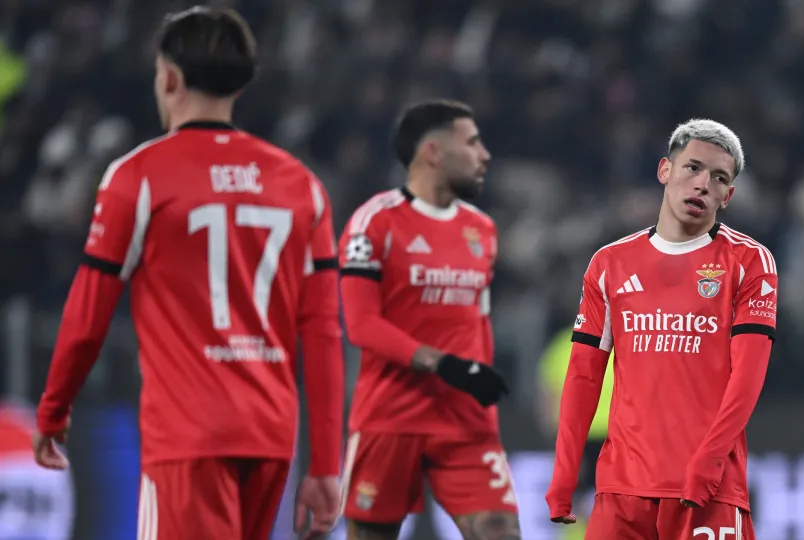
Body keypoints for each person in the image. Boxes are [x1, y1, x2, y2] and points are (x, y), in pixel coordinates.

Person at [31, 7, 344, 540]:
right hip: (270, 437)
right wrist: (326, 464)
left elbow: (88, 312)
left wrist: (54, 408)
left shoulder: (138, 176)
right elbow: (323, 333)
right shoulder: (302, 186)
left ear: (171, 78)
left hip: (189, 435)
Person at [546, 119, 777, 540]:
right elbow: (583, 376)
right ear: (665, 170)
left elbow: (747, 378)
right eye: (693, 167)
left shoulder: (749, 262)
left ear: (728, 196)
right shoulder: (609, 264)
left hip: (709, 491)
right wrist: (564, 474)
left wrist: (709, 461)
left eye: (719, 178)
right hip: (621, 491)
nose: (703, 184)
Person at [337, 100, 517, 540]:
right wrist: (445, 364)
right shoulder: (373, 223)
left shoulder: (482, 229)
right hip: (392, 417)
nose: (484, 155)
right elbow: (362, 325)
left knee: (500, 531)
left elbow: (478, 322)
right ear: (433, 152)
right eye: (472, 143)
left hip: (465, 422)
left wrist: (484, 402)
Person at [537, 328, 614, 539]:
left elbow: (547, 402)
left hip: (579, 436)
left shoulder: (563, 344)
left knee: (576, 501)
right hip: (616, 435)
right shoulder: (629, 342)